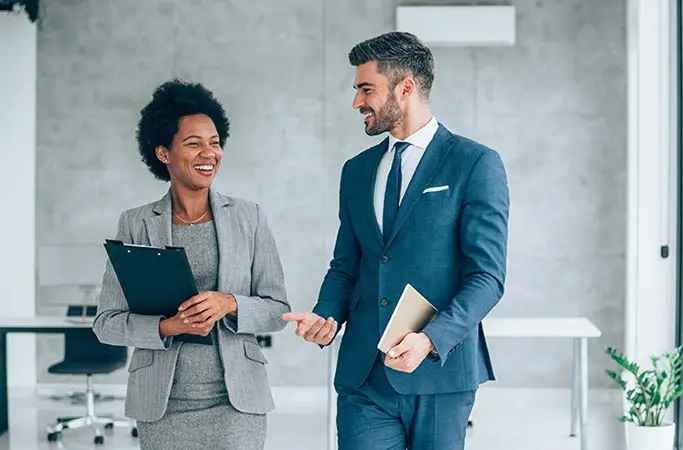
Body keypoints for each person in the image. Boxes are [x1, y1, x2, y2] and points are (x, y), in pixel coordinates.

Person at [283, 32, 510, 450]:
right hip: (364, 375)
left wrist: (429, 339)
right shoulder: (356, 171)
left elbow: (487, 277)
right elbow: (346, 265)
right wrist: (326, 316)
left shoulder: (475, 163)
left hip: (439, 373)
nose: (356, 102)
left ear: (405, 88)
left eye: (366, 89)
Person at [92, 79, 289, 450]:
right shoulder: (136, 223)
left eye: (215, 142)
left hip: (236, 402)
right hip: (163, 405)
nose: (209, 153)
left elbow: (277, 311)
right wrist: (168, 326)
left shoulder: (250, 218)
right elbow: (106, 324)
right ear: (164, 153)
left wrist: (229, 303)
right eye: (194, 143)